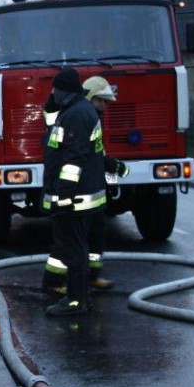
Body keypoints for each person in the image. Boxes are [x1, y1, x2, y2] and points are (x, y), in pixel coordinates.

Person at [42, 76, 129, 295]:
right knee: (68, 243)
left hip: (92, 194)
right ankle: (56, 283)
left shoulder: (87, 116)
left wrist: (112, 165)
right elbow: (74, 157)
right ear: (89, 96)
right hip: (76, 193)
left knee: (95, 237)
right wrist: (65, 196)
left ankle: (90, 279)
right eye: (101, 101)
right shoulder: (76, 116)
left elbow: (93, 155)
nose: (105, 106)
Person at [41, 69, 106, 316]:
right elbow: (49, 120)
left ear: (64, 90)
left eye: (56, 89)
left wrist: (65, 197)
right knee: (72, 246)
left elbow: (74, 160)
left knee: (74, 248)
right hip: (78, 196)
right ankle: (79, 297)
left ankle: (76, 300)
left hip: (75, 198)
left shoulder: (77, 115)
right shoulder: (73, 110)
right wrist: (52, 101)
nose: (53, 93)